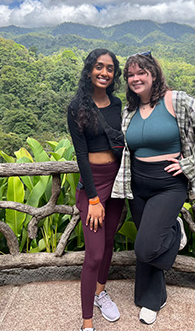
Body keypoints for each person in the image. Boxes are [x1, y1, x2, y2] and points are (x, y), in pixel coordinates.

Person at [112, 51, 195, 325]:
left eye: (141, 73)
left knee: (147, 247)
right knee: (148, 241)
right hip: (137, 184)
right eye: (130, 75)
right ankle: (152, 299)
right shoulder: (129, 110)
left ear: (154, 74)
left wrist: (191, 164)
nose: (135, 79)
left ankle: (175, 230)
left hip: (169, 184)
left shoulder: (177, 100)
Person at [67, 48, 125, 331]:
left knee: (110, 241)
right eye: (99, 67)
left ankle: (100, 292)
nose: (104, 72)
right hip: (93, 184)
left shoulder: (117, 105)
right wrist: (92, 198)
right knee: (94, 255)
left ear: (115, 74)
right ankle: (86, 323)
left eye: (110, 68)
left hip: (117, 181)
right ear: (89, 70)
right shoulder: (77, 106)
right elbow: (80, 157)